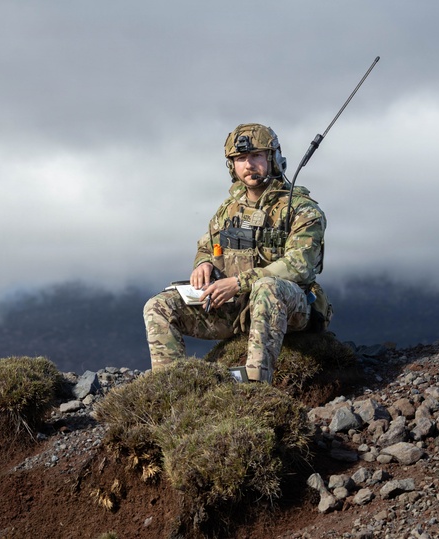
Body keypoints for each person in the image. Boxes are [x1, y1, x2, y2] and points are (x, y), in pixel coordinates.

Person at [142, 123, 332, 382]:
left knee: (267, 286)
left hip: (291, 308)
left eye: (256, 156)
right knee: (159, 305)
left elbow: (299, 265)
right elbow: (207, 245)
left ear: (273, 158)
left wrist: (238, 282)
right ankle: (172, 386)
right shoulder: (229, 209)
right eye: (241, 158)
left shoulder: (302, 210)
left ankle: (253, 385)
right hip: (236, 307)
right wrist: (204, 264)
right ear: (232, 165)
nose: (249, 165)